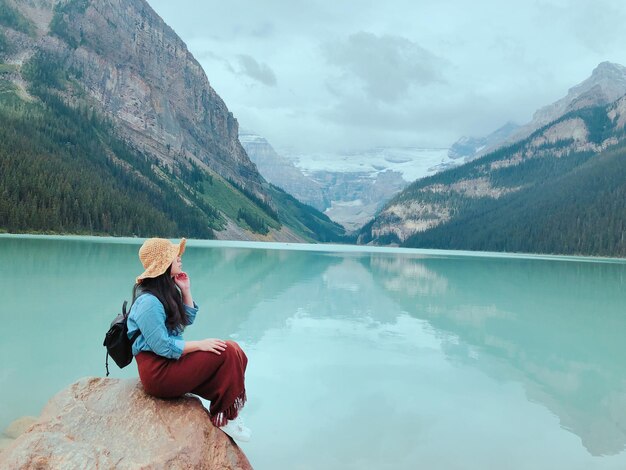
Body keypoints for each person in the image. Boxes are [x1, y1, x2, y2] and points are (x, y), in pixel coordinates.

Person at [127, 237, 251, 442]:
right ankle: (225, 418)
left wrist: (185, 289)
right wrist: (200, 345)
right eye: (175, 256)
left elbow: (186, 320)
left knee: (235, 350)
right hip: (158, 373)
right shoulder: (148, 302)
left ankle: (228, 413)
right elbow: (163, 346)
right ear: (164, 263)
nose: (179, 258)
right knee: (226, 351)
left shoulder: (164, 292)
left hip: (168, 364)